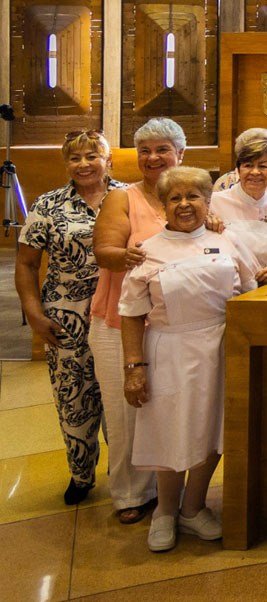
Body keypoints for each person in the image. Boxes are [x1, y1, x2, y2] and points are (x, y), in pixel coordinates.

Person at [118, 167, 258, 552]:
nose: (184, 204)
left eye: (193, 196)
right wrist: (134, 368)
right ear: (162, 206)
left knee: (212, 429)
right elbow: (130, 314)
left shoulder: (227, 240)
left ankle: (193, 508)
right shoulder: (147, 250)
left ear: (207, 202)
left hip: (222, 348)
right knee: (171, 428)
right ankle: (165, 511)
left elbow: (251, 290)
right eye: (175, 198)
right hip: (169, 350)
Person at [91, 118, 190, 524]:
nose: (153, 157)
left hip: (173, 326)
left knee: (168, 411)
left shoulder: (193, 195)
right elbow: (104, 251)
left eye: (162, 149)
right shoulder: (122, 197)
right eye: (145, 151)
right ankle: (130, 493)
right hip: (118, 322)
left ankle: (169, 494)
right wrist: (133, 256)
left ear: (180, 154)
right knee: (126, 413)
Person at [17, 130, 123, 505]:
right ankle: (81, 475)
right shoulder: (48, 205)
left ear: (108, 160)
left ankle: (127, 481)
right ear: (66, 163)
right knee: (74, 397)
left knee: (123, 397)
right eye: (75, 157)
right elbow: (27, 264)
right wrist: (34, 314)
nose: (83, 164)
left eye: (92, 156)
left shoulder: (129, 197)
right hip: (66, 317)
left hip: (119, 312)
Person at [209, 135, 267, 286]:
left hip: (266, 288)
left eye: (263, 166)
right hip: (223, 286)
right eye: (248, 165)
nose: (255, 172)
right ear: (238, 170)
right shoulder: (214, 202)